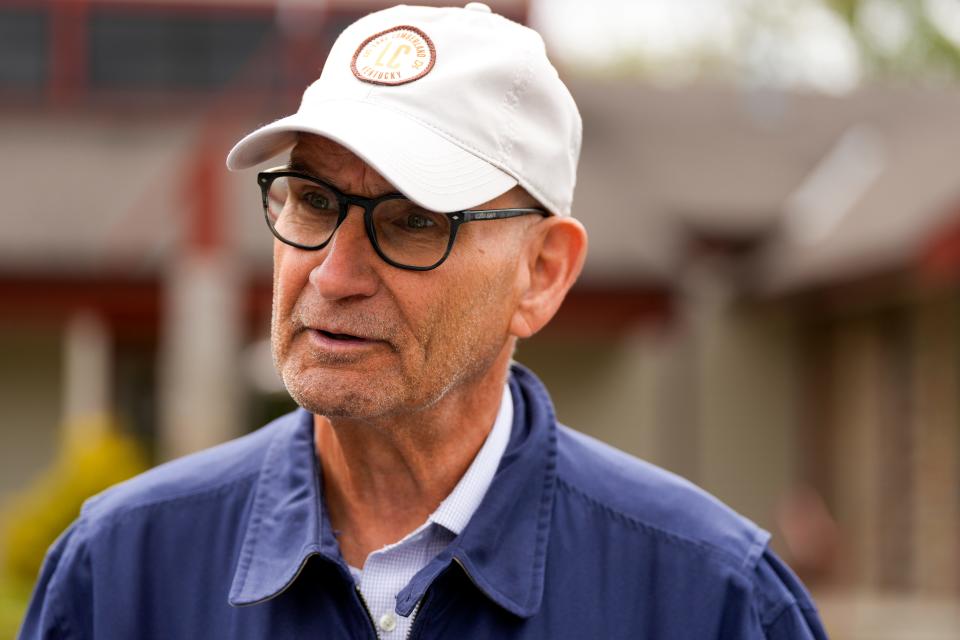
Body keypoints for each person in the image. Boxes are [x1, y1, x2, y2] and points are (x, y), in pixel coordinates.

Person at [20, 3, 828, 639]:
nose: (333, 274)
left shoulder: (709, 599)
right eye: (311, 200)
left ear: (541, 275)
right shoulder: (122, 573)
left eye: (411, 221)